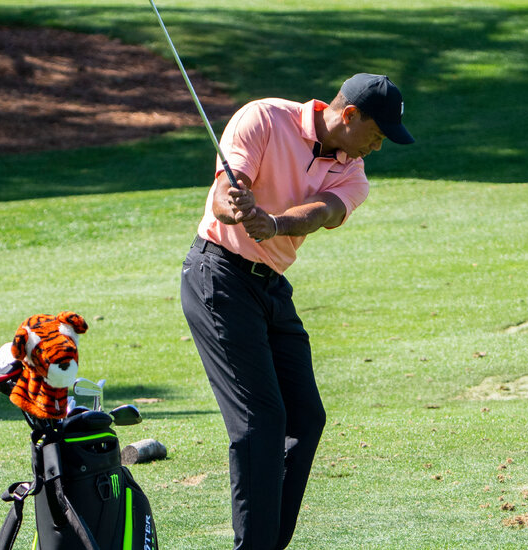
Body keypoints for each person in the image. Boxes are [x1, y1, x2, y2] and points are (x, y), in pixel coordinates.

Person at [179, 73, 414, 550]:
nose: (378, 146)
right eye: (377, 133)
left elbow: (324, 211)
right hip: (218, 274)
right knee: (259, 421)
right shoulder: (264, 117)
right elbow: (227, 193)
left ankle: (266, 544)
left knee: (305, 417)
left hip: (270, 288)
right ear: (348, 115)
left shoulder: (353, 171)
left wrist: (274, 223)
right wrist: (238, 207)